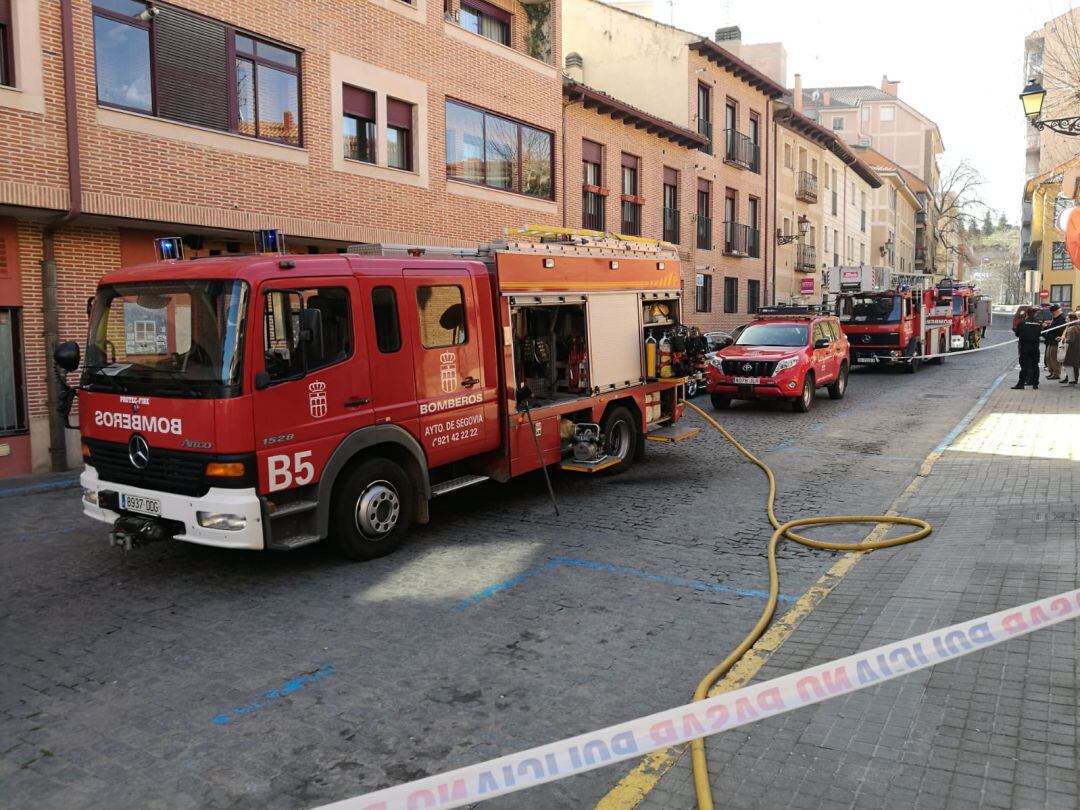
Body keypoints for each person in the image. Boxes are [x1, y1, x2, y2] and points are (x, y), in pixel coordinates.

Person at [1013, 307, 1044, 389]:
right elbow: (1040, 334)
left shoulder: (1022, 323)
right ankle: (1035, 384)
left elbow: (1017, 334)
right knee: (1035, 366)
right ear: (1035, 314)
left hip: (1024, 347)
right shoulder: (1038, 324)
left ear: (1026, 314)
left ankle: (1021, 384)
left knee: (1024, 366)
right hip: (1035, 348)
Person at [1043, 304, 1066, 380]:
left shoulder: (1062, 318)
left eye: (1053, 312)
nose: (1052, 313)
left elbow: (1058, 329)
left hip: (1056, 342)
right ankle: (1052, 372)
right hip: (1051, 341)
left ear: (1057, 311)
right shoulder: (1055, 318)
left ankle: (1056, 373)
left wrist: (1047, 327)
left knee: (1054, 358)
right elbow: (1052, 327)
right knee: (1048, 357)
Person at [1060, 312, 1080, 385]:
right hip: (1077, 349)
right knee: (1075, 365)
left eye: (1067, 318)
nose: (1066, 319)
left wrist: (1061, 339)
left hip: (1071, 350)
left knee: (1068, 364)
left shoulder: (1071, 328)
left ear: (1071, 319)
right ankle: (1075, 380)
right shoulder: (1077, 326)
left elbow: (1070, 340)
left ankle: (1071, 381)